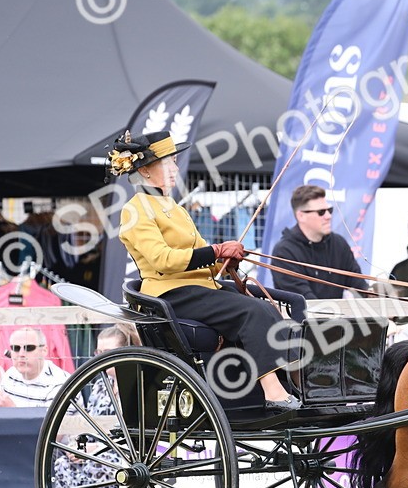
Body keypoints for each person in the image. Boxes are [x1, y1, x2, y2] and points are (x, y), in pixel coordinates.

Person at [111, 130, 301, 413]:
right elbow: (163, 260)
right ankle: (272, 391)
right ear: (146, 170)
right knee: (253, 312)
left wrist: (226, 259)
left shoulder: (174, 208)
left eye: (174, 162)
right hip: (170, 294)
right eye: (167, 163)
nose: (175, 169)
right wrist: (215, 251)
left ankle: (294, 381)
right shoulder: (134, 211)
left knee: (270, 308)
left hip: (200, 288)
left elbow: (202, 254)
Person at [51, 324, 140, 488]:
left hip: (126, 453)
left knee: (97, 466)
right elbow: (88, 424)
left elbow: (135, 434)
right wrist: (78, 446)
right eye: (98, 352)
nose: (101, 358)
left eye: (107, 353)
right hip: (95, 450)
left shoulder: (137, 385)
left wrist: (96, 449)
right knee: (63, 464)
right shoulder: (101, 385)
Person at [271, 184, 368, 301]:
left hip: (335, 312)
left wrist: (376, 294)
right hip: (306, 313)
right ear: (301, 216)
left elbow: (360, 286)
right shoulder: (284, 252)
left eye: (329, 210)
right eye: (321, 212)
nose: (328, 216)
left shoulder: (339, 244)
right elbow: (305, 302)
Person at [0, 326, 70, 407]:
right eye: (16, 348)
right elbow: (0, 414)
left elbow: (53, 421)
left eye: (29, 348)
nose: (21, 354)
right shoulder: (10, 374)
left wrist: (12, 410)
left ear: (44, 350)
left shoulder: (60, 383)